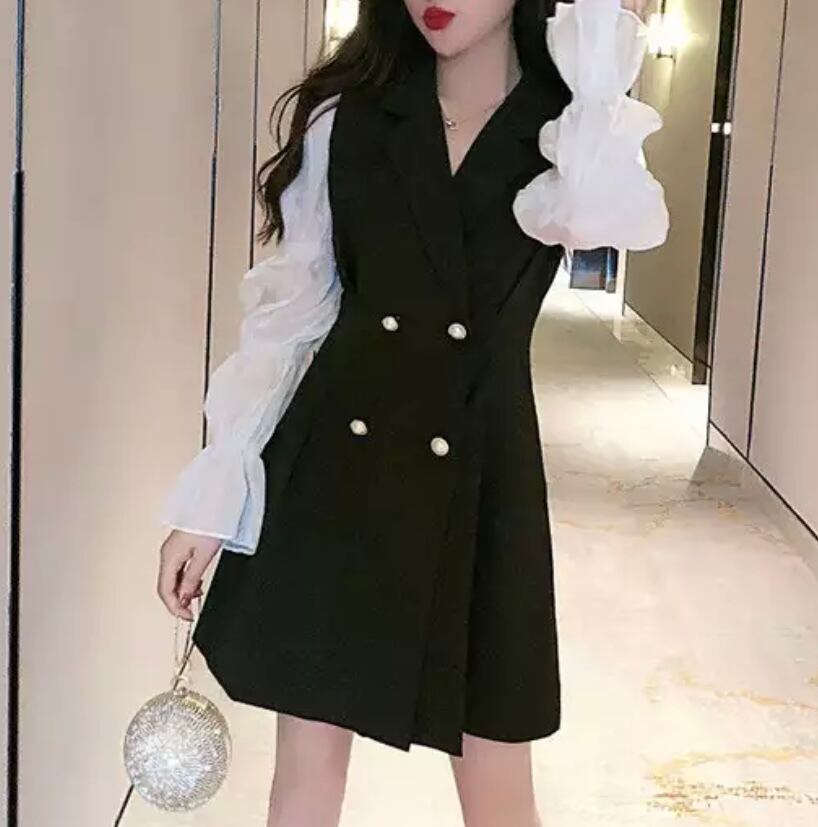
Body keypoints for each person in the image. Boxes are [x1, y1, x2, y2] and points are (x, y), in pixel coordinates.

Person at [156, 1, 653, 825]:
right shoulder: (346, 116)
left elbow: (610, 219)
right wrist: (215, 495)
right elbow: (291, 313)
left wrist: (599, 64)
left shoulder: (571, 125)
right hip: (337, 464)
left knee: (498, 780)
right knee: (305, 773)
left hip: (483, 468)